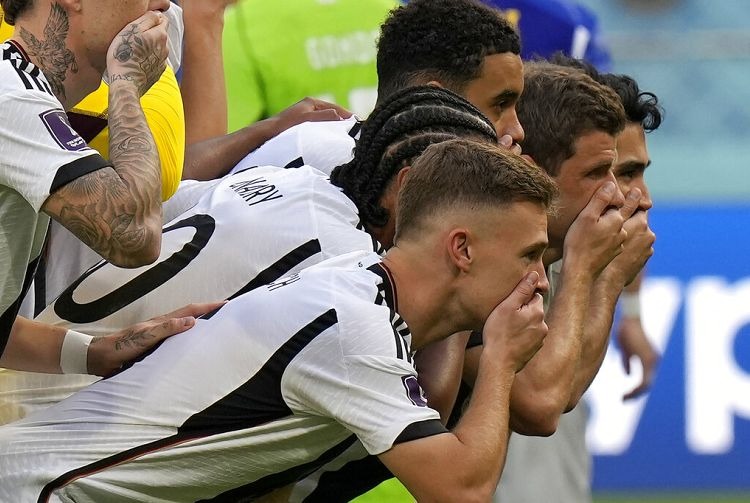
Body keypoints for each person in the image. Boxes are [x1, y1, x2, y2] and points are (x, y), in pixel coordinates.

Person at [0, 139, 555, 502]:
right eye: (529, 255)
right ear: (461, 249)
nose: (541, 280)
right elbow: (460, 490)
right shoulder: (356, 329)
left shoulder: (354, 289)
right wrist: (502, 358)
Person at [0, 86, 498, 424]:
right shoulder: (348, 270)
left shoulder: (301, 179)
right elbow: (436, 421)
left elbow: (167, 199)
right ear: (409, 183)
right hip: (53, 418)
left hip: (40, 369)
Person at [0, 0, 209, 375]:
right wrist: (126, 81)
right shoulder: (11, 98)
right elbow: (135, 235)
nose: (159, 5)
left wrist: (93, 353)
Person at [494, 56, 664, 503]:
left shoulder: (565, 253)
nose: (639, 197)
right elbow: (543, 402)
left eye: (631, 172)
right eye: (617, 172)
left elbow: (561, 394)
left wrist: (623, 300)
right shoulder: (491, 261)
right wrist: (601, 280)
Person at [222, 0, 398, 132]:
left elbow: (219, 147)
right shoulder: (393, 7)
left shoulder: (242, 21)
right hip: (394, 169)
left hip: (297, 173)